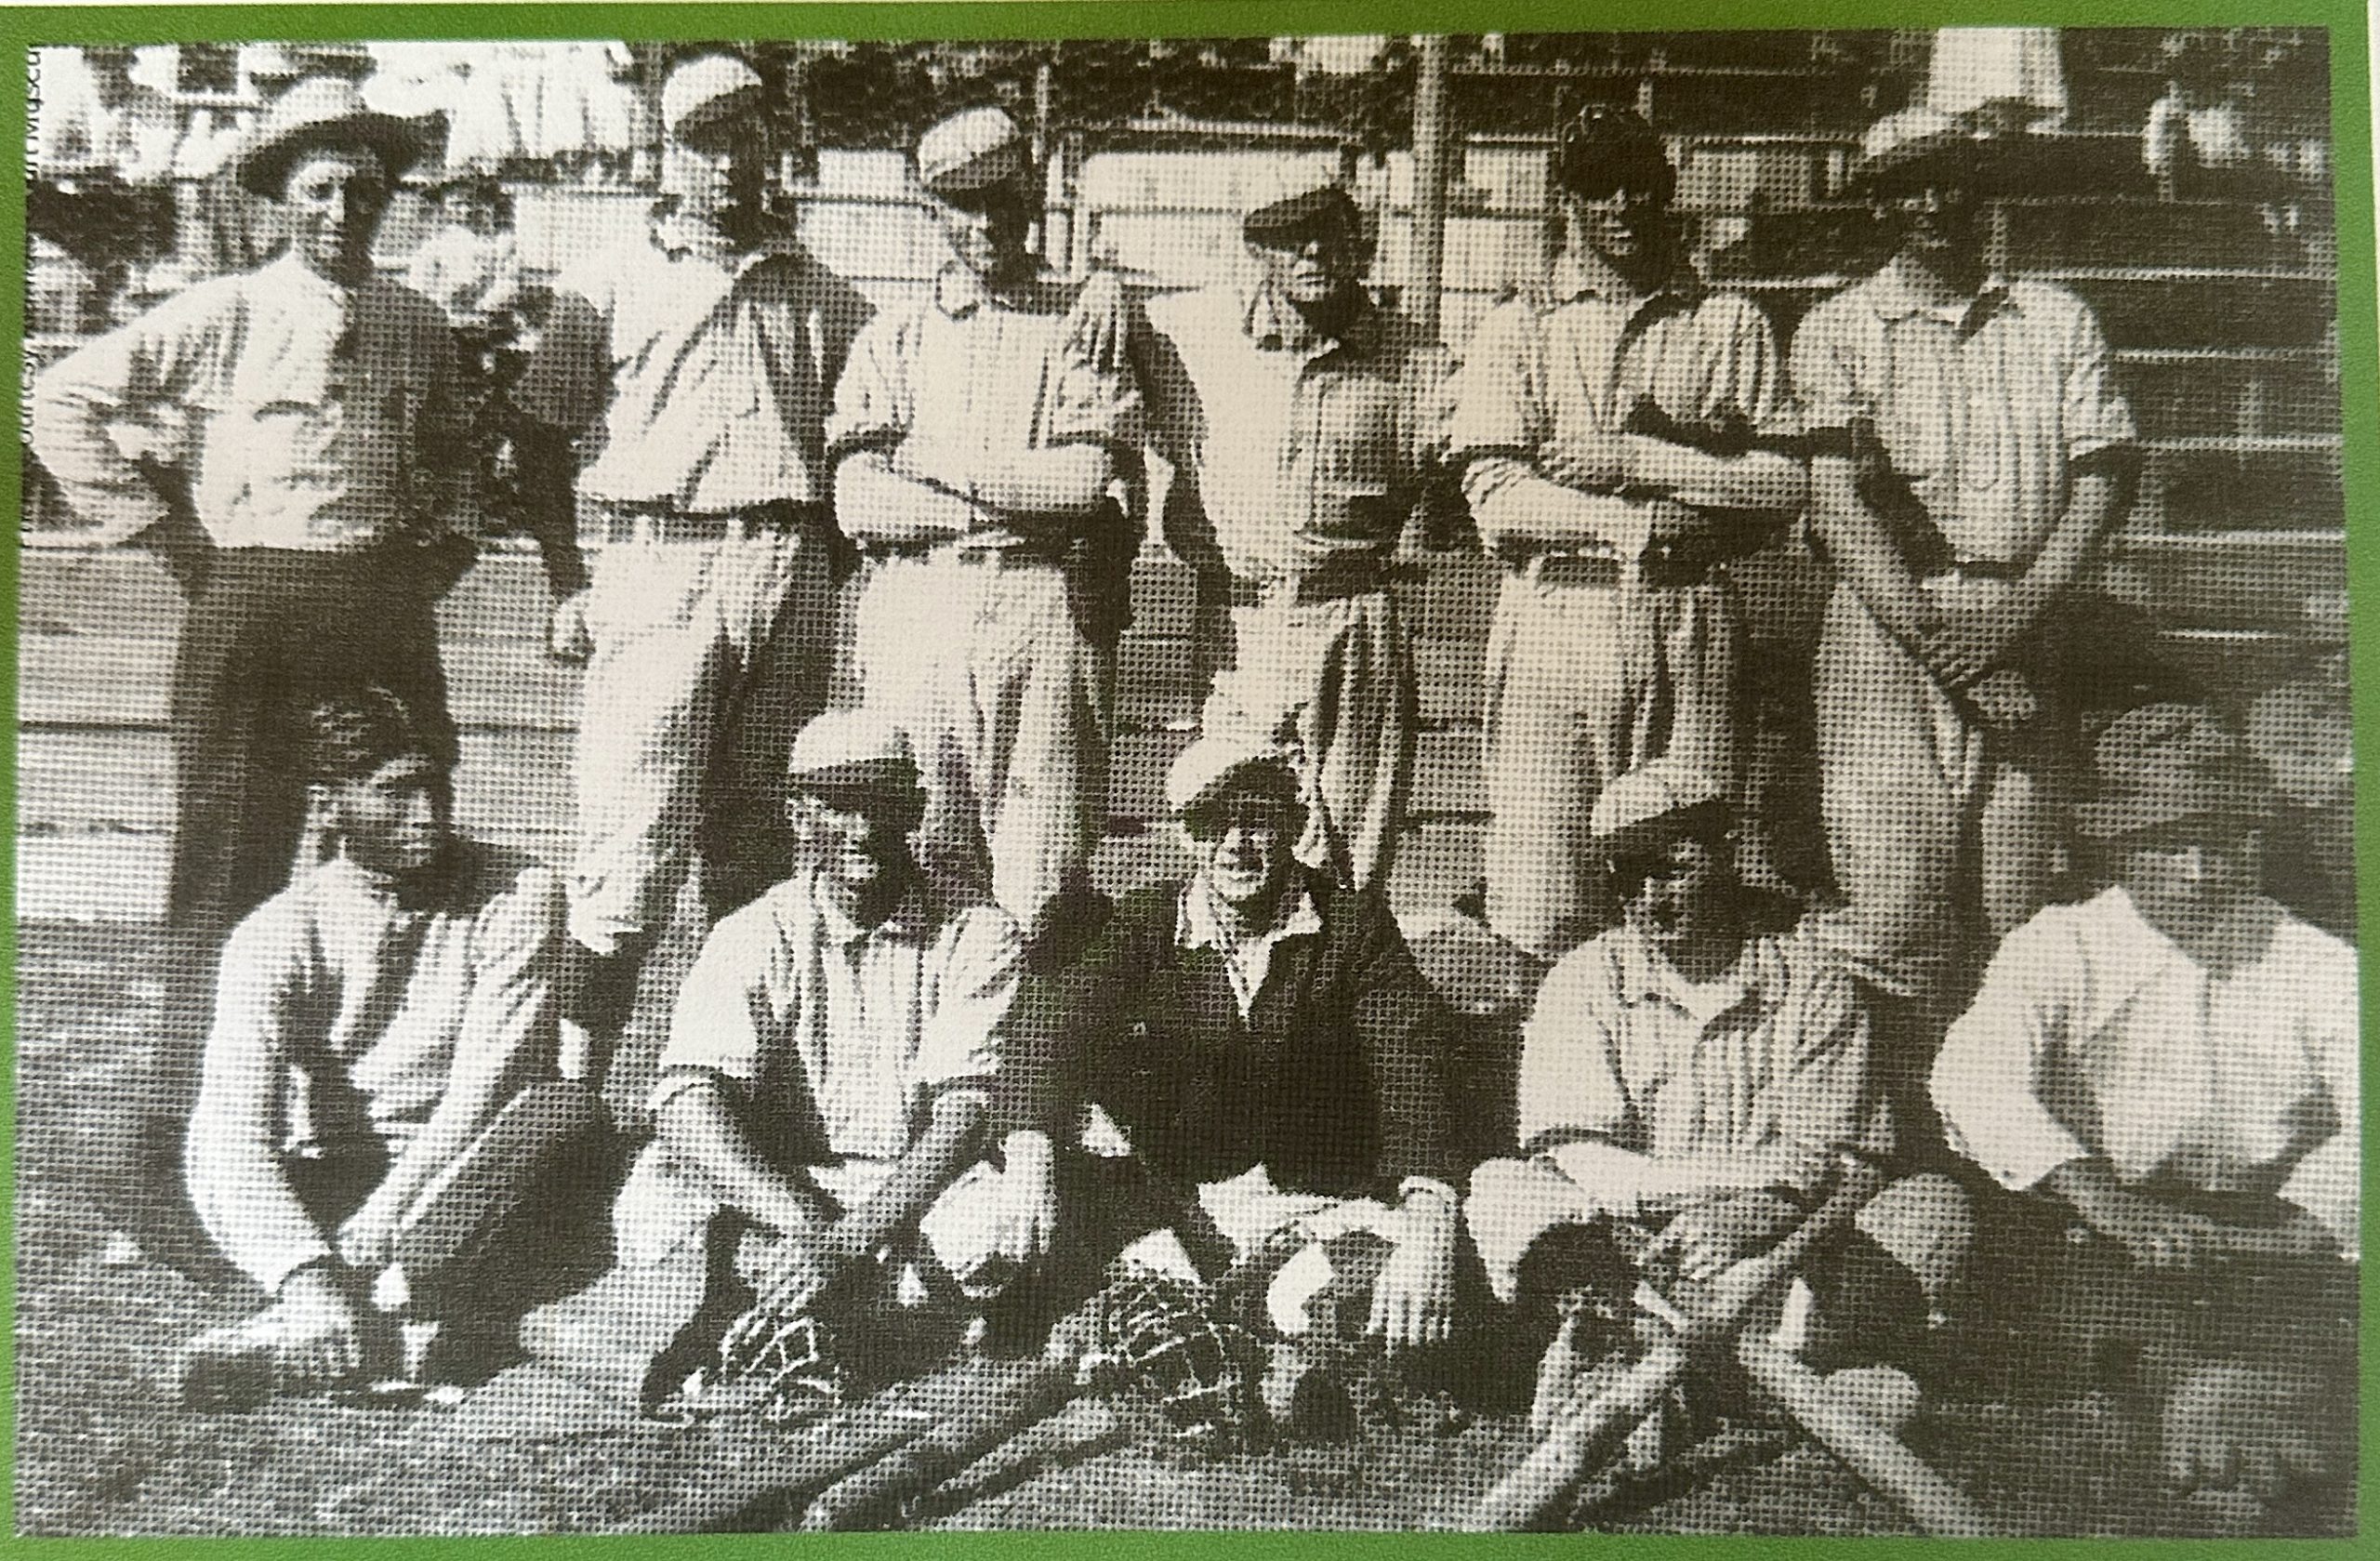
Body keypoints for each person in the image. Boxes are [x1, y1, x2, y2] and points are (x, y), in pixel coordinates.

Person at [29, 77, 477, 1266]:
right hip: (256, 606)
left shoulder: (418, 323)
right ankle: (164, 1157)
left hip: (377, 604)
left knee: (399, 863)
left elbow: (455, 456)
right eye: (320, 190)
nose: (344, 211)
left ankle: (359, 1136)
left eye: (365, 191)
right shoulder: (225, 308)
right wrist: (170, 536)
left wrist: (438, 552)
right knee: (229, 881)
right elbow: (60, 396)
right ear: (279, 200)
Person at [511, 52, 872, 1057]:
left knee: (758, 843)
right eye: (703, 138)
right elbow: (536, 440)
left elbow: (861, 442)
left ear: (769, 144)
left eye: (743, 133)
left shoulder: (822, 290)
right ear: (666, 151)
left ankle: (729, 1082)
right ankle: (568, 1098)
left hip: (786, 565)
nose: (726, 159)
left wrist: (822, 576)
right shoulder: (608, 279)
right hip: (659, 561)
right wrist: (569, 584)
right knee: (628, 846)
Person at [536, 710, 1040, 1417]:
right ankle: (849, 1319)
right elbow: (687, 1098)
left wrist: (846, 1246)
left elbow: (964, 1117)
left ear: (916, 806)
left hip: (912, 1191)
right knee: (650, 1207)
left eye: (884, 803)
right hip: (782, 1186)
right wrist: (806, 1228)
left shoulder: (979, 930)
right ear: (800, 813)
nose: (863, 830)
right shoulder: (753, 929)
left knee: (998, 1231)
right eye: (840, 805)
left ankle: (799, 1319)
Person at [1931, 703, 2357, 1505]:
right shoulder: (2061, 946)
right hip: (2101, 1241)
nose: (2200, 871)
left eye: (2224, 842)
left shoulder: (2313, 960)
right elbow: (1970, 1078)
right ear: (2118, 845)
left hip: (2267, 1244)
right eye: (2169, 844)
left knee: (2278, 1422)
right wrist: (2105, 1203)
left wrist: (2306, 1224)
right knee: (2174, 1414)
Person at [1465, 758, 1967, 1435]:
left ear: (1726, 853)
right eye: (1627, 876)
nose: (1651, 897)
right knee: (1503, 1189)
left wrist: (1760, 1222)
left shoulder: (1813, 981)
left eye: (1671, 867)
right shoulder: (1583, 979)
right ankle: (1718, 1375)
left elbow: (1848, 1165)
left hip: (1785, 1263)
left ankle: (1683, 1383)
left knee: (1935, 1208)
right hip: (1642, 1262)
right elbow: (1582, 1160)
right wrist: (1747, 1180)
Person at [1791, 107, 2137, 1067]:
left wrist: (2013, 620)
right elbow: (1837, 509)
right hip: (1885, 635)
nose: (1932, 204)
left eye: (1948, 178)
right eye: (1905, 185)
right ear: (1876, 205)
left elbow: (2102, 483)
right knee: (1898, 900)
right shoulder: (1839, 330)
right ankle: (1883, 1129)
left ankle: (1996, 1150)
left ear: (1979, 187)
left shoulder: (2055, 318)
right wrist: (1940, 642)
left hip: (2027, 619)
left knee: (2014, 899)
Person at [1004, 736, 1465, 1428]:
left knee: (1340, 1295)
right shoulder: (1147, 925)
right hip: (1175, 1205)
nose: (1236, 844)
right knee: (1163, 1295)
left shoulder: (1350, 925)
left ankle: (1280, 1349)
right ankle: (1203, 1335)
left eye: (1257, 819)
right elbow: (1049, 1038)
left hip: (1307, 1198)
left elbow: (1412, 1068)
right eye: (1211, 823)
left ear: (1293, 822)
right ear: (1186, 833)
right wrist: (1031, 1154)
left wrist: (1430, 1218)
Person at [174, 688, 600, 1409]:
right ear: (327, 804)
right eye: (394, 793)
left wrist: (374, 1231)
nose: (427, 815)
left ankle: (342, 1321)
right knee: (161, 1145)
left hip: (462, 1170)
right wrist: (309, 1267)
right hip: (330, 1175)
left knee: (557, 1110)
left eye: (436, 787)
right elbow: (236, 1124)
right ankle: (354, 1314)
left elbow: (484, 1094)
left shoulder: (518, 891)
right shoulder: (276, 932)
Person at [1448, 105, 1805, 962]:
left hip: (1691, 617)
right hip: (1559, 614)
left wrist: (1638, 458)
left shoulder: (1726, 320)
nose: (1620, 203)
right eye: (1597, 184)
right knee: (1545, 890)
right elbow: (1496, 493)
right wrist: (1633, 521)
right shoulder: (1521, 322)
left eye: (1639, 182)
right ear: (1564, 197)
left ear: (1667, 191)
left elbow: (1785, 482)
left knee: (1685, 880)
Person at [829, 104, 1144, 951]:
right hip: (916, 604)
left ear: (1033, 192)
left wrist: (931, 458)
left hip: (1041, 605)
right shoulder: (893, 335)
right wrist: (987, 501)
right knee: (920, 842)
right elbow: (858, 501)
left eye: (1001, 198)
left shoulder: (1082, 319)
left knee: (1042, 861)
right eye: (958, 204)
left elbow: (1080, 483)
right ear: (931, 211)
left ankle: (1029, 1074)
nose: (984, 223)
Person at [1141, 165, 1455, 892]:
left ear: (1358, 239)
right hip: (1239, 625)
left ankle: (1329, 1002)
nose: (1311, 251)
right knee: (1233, 846)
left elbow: (1475, 474)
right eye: (1286, 236)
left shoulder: (1418, 362)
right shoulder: (1188, 335)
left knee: (1345, 856)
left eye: (1327, 230)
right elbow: (1108, 327)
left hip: (1353, 624)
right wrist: (1099, 290)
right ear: (1255, 249)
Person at [404, 164, 524, 332]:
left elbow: (508, 282)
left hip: (489, 321)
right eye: (456, 204)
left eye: (470, 201)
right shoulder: (433, 247)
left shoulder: (498, 243)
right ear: (443, 205)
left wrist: (485, 308)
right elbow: (419, 292)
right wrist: (447, 304)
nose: (465, 209)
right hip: (446, 324)